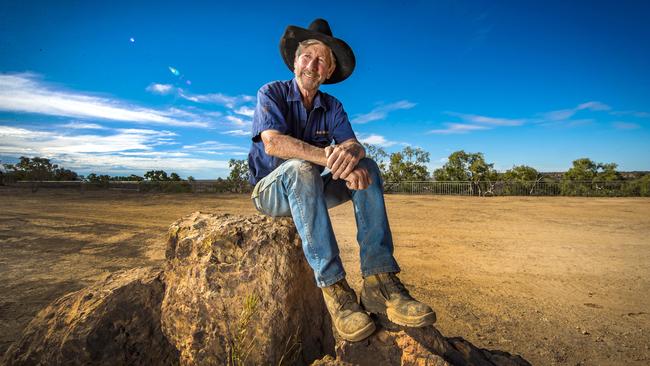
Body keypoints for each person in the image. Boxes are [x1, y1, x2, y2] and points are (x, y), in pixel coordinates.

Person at [248, 18, 435, 342]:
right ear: (295, 61)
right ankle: (334, 289)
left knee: (369, 168)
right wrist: (329, 158)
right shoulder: (272, 93)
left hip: (313, 189)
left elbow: (353, 144)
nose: (313, 64)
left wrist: (350, 156)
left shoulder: (332, 105)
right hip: (271, 190)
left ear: (329, 72)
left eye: (322, 60)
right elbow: (273, 143)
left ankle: (380, 281)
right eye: (307, 56)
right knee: (301, 169)